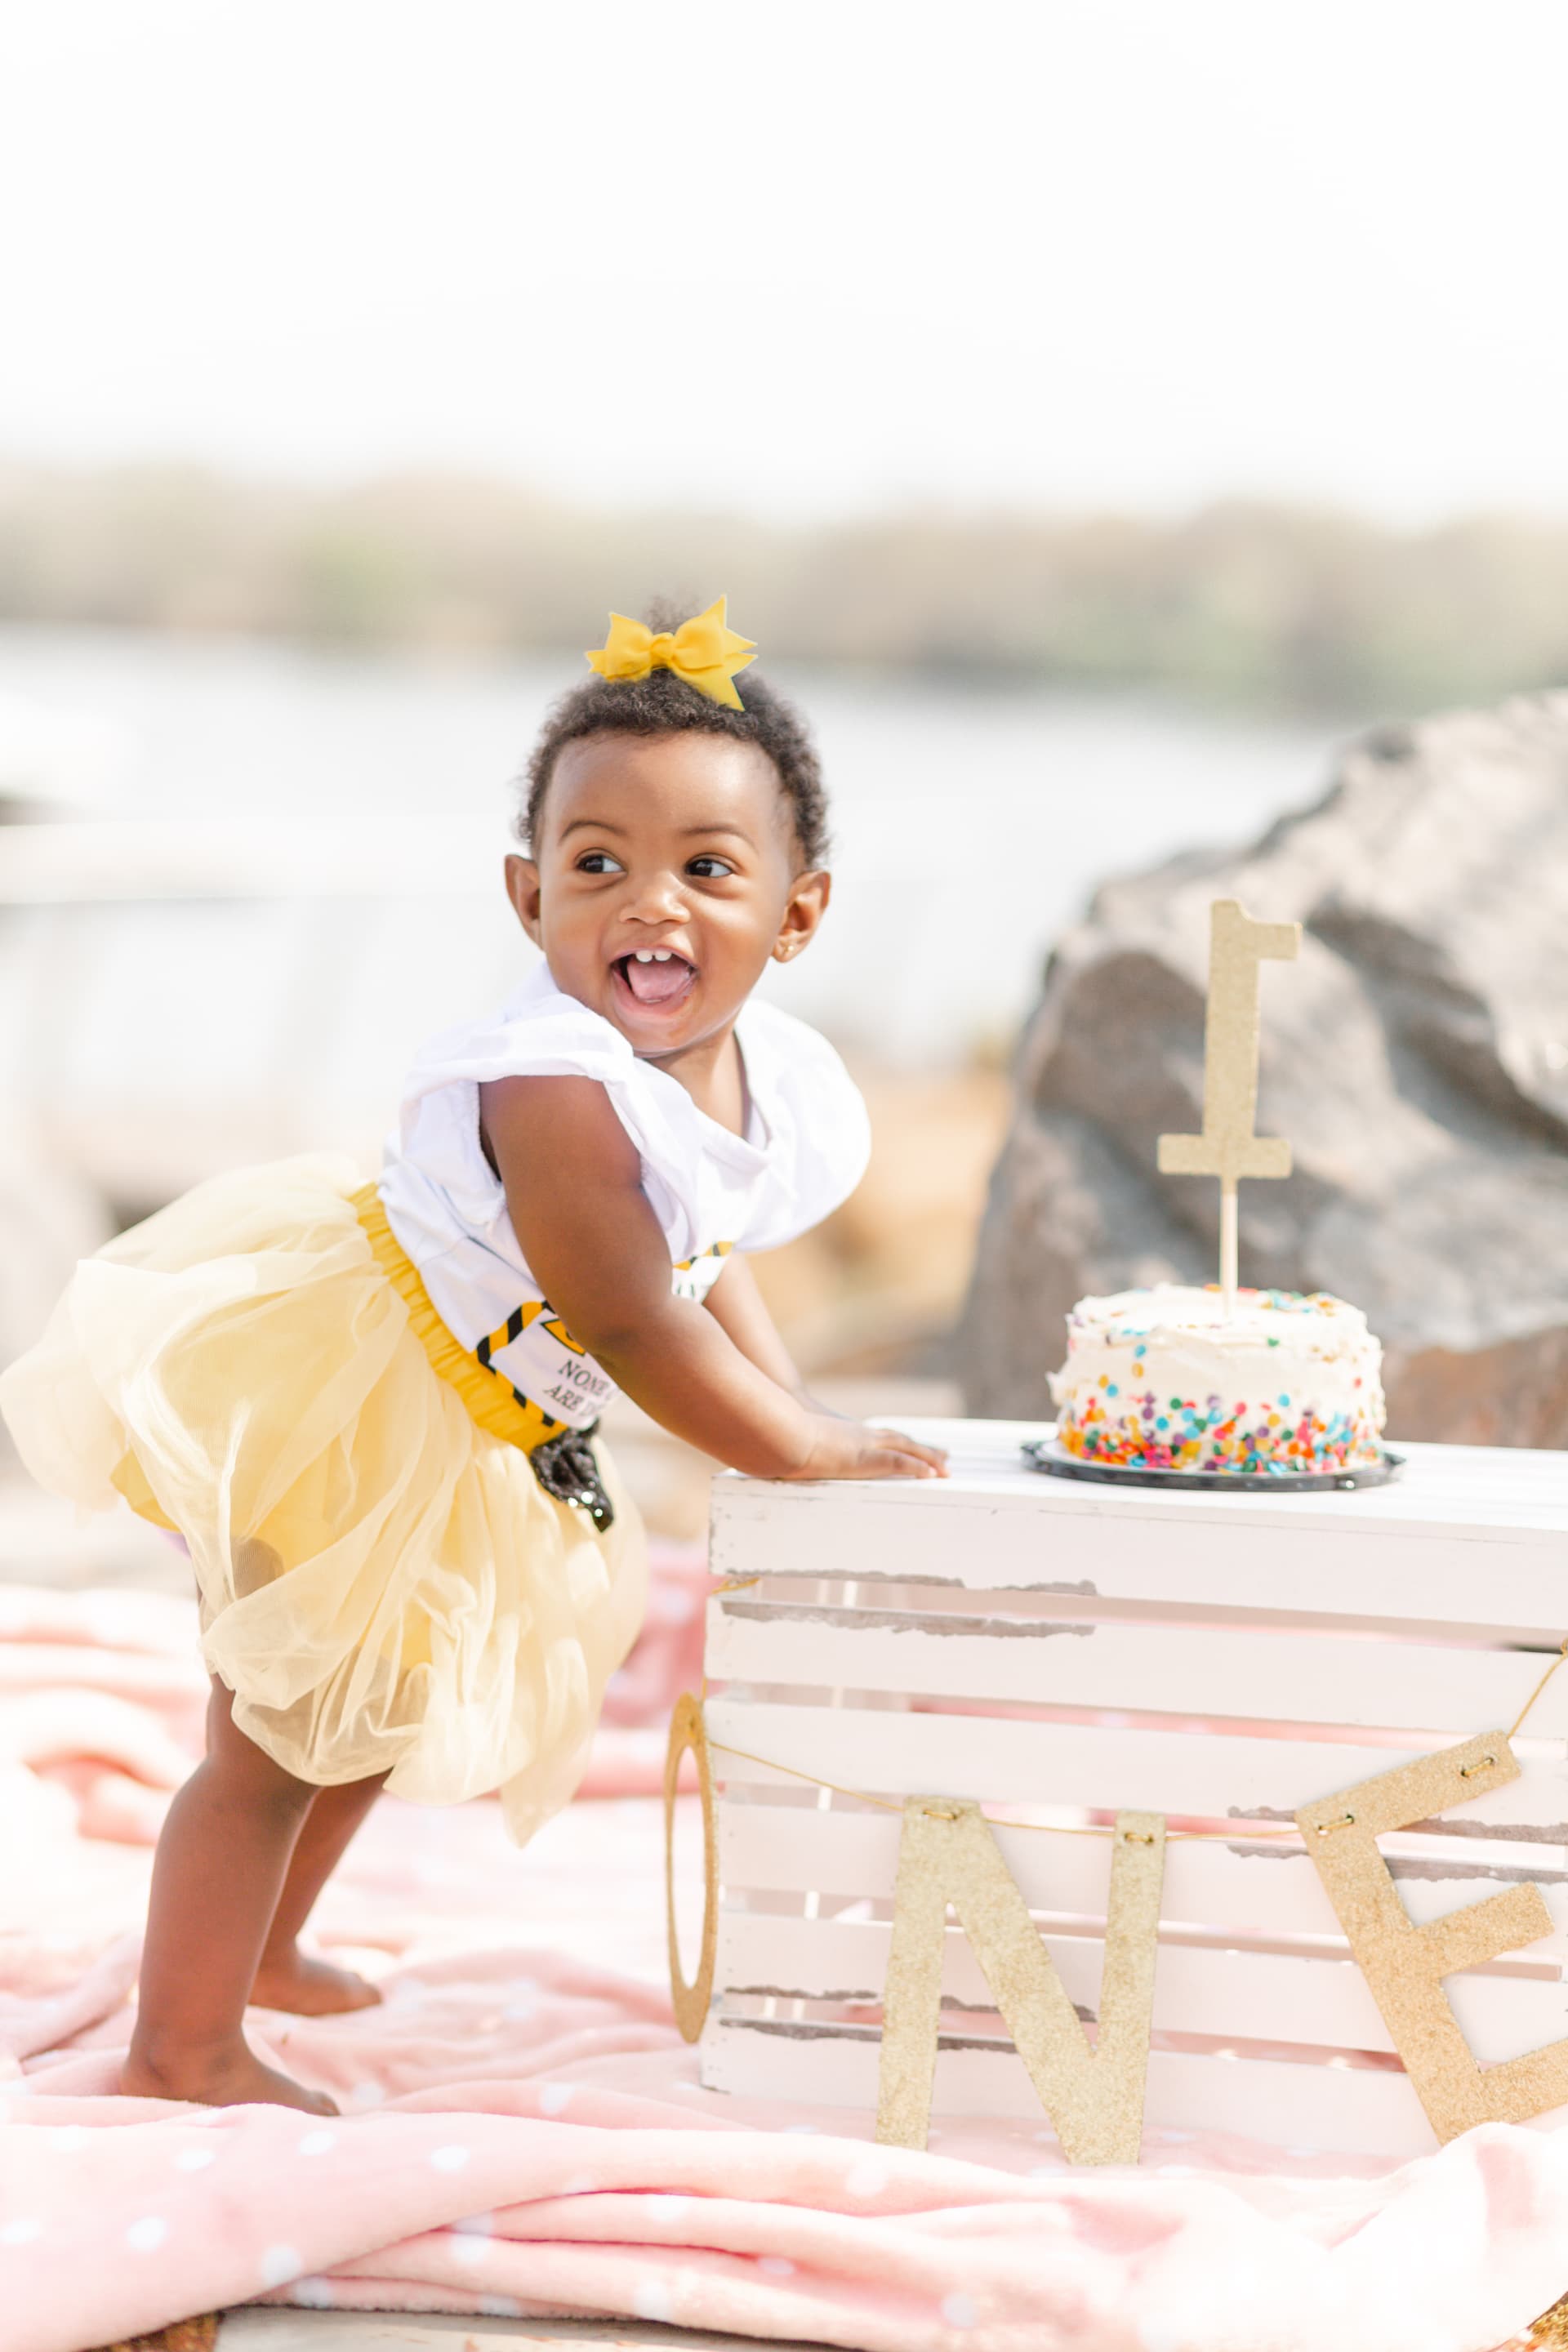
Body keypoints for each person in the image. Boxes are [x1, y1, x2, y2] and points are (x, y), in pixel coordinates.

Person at [0, 597, 947, 2114]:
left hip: (477, 1414)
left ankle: (264, 1949)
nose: (652, 903)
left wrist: (793, 1403)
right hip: (350, 1385)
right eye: (599, 866)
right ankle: (178, 2045)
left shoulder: (751, 1080)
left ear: (799, 911)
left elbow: (716, 1255)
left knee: (362, 1715)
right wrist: (785, 1447)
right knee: (272, 1741)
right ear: (529, 895)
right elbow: (638, 1317)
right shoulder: (554, 1087)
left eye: (708, 868)